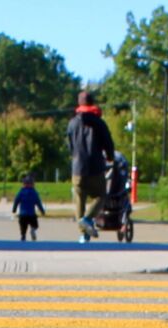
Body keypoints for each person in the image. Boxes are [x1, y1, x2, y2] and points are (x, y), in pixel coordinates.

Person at [66, 91, 115, 243]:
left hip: (78, 168)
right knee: (100, 195)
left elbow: (69, 145)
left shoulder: (72, 123)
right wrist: (110, 157)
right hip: (95, 167)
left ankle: (83, 234)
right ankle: (87, 219)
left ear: (79, 104)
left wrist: (74, 156)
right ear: (93, 103)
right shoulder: (99, 123)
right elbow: (108, 143)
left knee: (79, 198)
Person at [11, 174, 46, 241]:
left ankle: (23, 236)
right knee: (35, 225)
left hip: (23, 214)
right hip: (31, 214)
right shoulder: (34, 193)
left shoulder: (21, 192)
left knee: (23, 227)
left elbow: (16, 201)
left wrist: (14, 210)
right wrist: (42, 211)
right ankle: (33, 229)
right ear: (32, 184)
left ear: (24, 184)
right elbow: (38, 203)